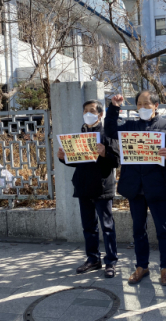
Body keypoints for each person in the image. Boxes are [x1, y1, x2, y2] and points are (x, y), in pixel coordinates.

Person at [105, 90, 166, 286]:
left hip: (157, 186)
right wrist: (114, 108)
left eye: (147, 104)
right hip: (135, 187)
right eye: (139, 104)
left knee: (163, 229)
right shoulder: (130, 125)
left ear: (156, 106)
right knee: (138, 229)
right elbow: (110, 131)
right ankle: (142, 266)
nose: (142, 108)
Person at [57, 100, 120, 278]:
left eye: (92, 111)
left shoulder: (107, 133)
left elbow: (116, 161)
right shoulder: (81, 134)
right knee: (88, 226)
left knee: (107, 226)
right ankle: (93, 259)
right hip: (83, 186)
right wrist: (64, 158)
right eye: (85, 111)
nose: (88, 114)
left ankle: (111, 261)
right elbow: (77, 162)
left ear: (100, 114)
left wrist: (105, 153)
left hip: (102, 187)